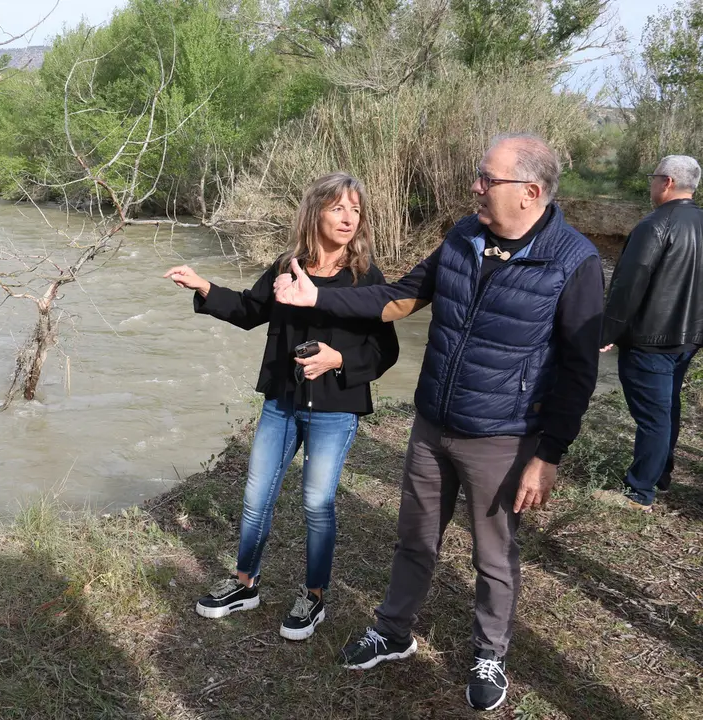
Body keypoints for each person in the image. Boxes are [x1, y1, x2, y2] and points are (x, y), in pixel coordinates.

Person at [273, 135, 604, 711]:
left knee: (493, 555)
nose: (475, 186)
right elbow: (400, 299)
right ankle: (393, 630)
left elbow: (578, 369)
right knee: (415, 537)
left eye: (486, 179)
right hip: (432, 423)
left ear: (528, 193)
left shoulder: (574, 261)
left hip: (502, 435)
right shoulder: (464, 234)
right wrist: (316, 300)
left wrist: (548, 454)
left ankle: (489, 655)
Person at [164, 171, 399, 642]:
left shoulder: (366, 279)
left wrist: (339, 360)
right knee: (255, 499)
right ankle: (244, 584)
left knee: (317, 503)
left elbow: (384, 351)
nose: (349, 218)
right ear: (315, 212)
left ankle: (313, 597)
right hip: (282, 403)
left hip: (335, 409)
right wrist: (205, 287)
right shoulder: (286, 266)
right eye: (338, 208)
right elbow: (251, 311)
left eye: (355, 209)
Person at [598, 154, 703, 511]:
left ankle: (639, 492)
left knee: (654, 418)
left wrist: (607, 332)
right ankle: (661, 476)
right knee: (667, 407)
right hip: (688, 338)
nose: (651, 183)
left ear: (668, 183)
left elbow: (629, 285)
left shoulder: (655, 225)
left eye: (653, 177)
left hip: (650, 339)